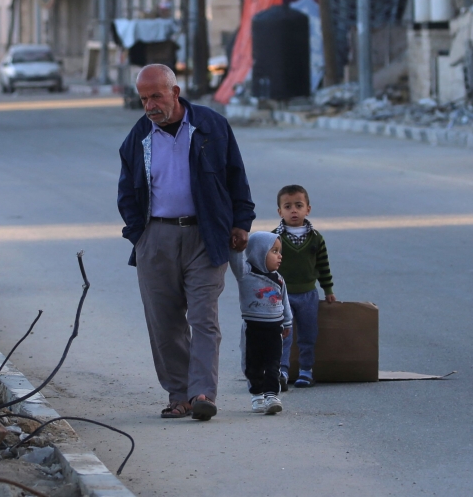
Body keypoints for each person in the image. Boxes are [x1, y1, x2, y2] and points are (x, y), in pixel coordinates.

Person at [118, 64, 255, 421]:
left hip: (205, 235)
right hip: (156, 237)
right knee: (164, 322)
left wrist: (241, 223)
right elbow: (126, 191)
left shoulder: (211, 126)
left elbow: (236, 178)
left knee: (203, 317)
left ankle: (202, 393)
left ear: (175, 93)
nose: (150, 106)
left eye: (156, 97)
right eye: (144, 99)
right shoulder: (138, 137)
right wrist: (140, 234)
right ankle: (178, 395)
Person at [273, 184, 335, 389]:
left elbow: (323, 266)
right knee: (282, 334)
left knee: (308, 334)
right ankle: (281, 371)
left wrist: (328, 290)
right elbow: (267, 267)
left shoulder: (316, 238)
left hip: (308, 295)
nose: (293, 210)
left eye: (298, 205)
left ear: (308, 209)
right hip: (282, 295)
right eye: (287, 206)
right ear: (279, 211)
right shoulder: (274, 238)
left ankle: (306, 371)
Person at [230, 231, 291, 415]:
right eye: (274, 251)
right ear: (258, 252)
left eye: (280, 251)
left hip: (275, 329)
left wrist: (287, 323)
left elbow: (284, 301)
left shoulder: (279, 279)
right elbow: (236, 259)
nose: (279, 256)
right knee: (253, 364)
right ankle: (257, 395)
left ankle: (272, 395)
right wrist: (237, 245)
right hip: (253, 328)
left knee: (273, 363)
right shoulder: (245, 273)